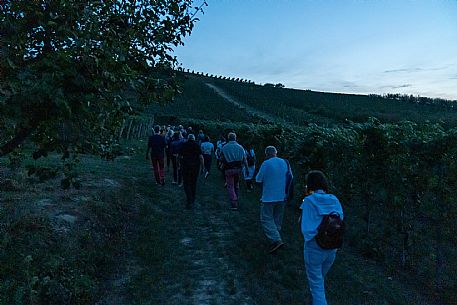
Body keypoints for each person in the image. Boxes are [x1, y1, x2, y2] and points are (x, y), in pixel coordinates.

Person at [300, 170, 343, 305]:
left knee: (317, 284)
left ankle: (317, 300)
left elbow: (305, 227)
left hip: (315, 247)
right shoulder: (334, 199)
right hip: (332, 247)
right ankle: (313, 299)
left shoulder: (309, 201)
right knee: (319, 278)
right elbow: (340, 220)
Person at [255, 146, 291, 253]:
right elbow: (290, 177)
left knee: (266, 218)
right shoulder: (285, 162)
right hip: (282, 196)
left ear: (266, 154)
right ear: (276, 152)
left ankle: (276, 240)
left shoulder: (266, 164)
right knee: (277, 218)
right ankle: (276, 235)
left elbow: (258, 179)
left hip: (269, 197)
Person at [220, 132, 248, 210]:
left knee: (230, 186)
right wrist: (247, 169)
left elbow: (221, 158)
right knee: (236, 183)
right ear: (235, 138)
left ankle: (233, 202)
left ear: (228, 138)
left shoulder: (224, 147)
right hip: (238, 169)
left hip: (228, 168)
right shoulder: (240, 147)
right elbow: (244, 159)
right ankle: (237, 197)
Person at [180, 134, 204, 209]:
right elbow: (201, 157)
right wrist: (202, 167)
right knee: (193, 183)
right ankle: (192, 198)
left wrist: (179, 163)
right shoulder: (197, 145)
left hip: (185, 166)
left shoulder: (184, 145)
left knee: (186, 183)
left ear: (188, 138)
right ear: (194, 138)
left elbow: (179, 156)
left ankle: (189, 198)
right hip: (195, 167)